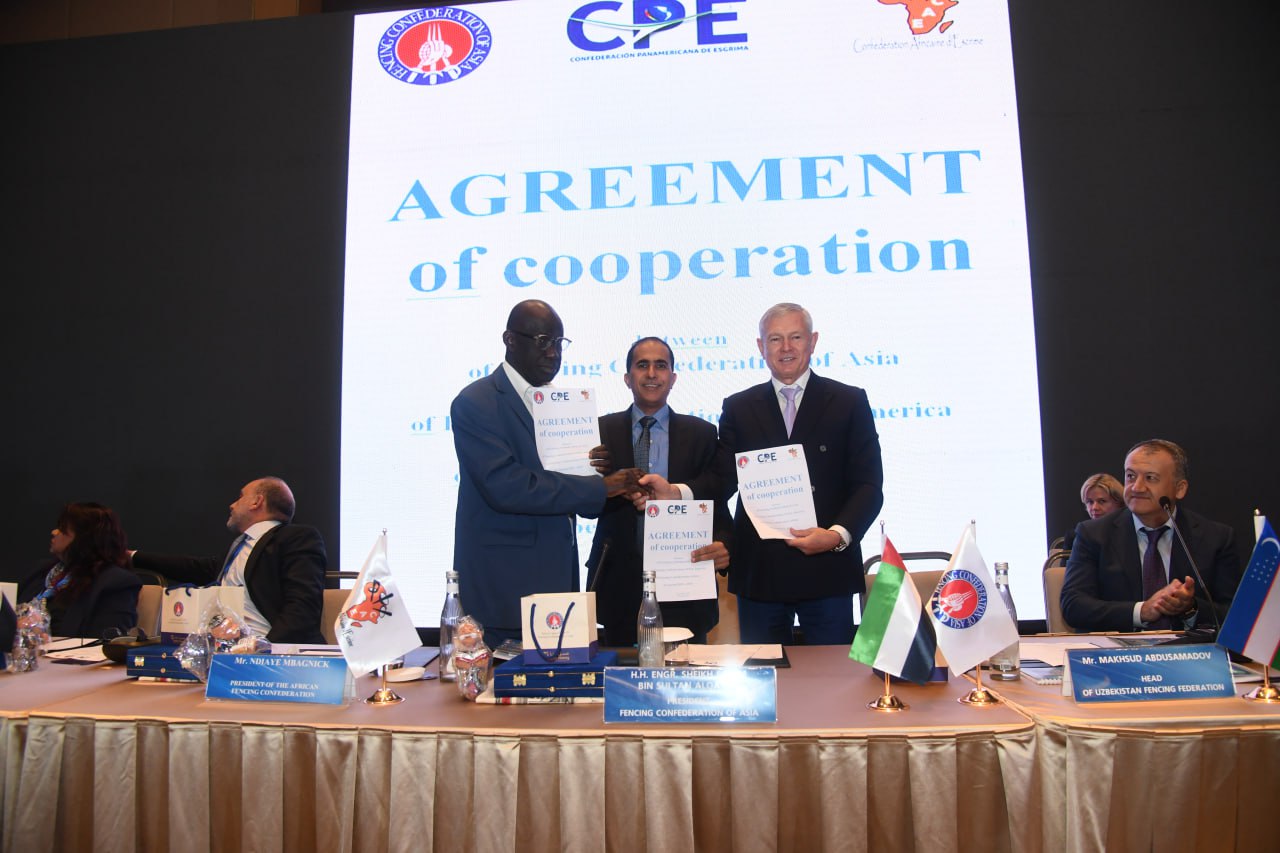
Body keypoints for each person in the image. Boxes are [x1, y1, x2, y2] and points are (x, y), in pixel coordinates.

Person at [645, 304, 884, 645]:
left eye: (795, 337)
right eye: (775, 339)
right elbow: (722, 477)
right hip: (761, 573)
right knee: (762, 673)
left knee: (831, 672)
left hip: (829, 568)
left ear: (813, 341)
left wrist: (837, 536)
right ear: (761, 346)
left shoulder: (849, 401)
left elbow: (868, 485)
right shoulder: (739, 407)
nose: (786, 348)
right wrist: (676, 492)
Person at [451, 300, 644, 643]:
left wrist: (592, 472)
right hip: (505, 590)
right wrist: (601, 488)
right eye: (543, 341)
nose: (553, 353)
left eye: (559, 342)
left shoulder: (560, 405)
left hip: (558, 588)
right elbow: (506, 487)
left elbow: (576, 502)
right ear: (510, 340)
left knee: (558, 678)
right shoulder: (476, 402)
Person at [585, 336, 731, 645]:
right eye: (642, 365)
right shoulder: (600, 431)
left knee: (688, 674)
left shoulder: (702, 434)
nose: (652, 373)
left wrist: (724, 543)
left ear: (673, 378)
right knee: (621, 674)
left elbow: (716, 500)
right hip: (618, 584)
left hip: (685, 582)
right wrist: (601, 485)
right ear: (627, 378)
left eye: (661, 366)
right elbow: (585, 506)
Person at [1061, 439, 1241, 632]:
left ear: (1179, 488)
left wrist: (1191, 608)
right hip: (1116, 648)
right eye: (1130, 476)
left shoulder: (1215, 538)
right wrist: (1141, 611)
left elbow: (1235, 614)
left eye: (1150, 478)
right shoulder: (1093, 534)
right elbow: (1074, 605)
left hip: (1188, 649)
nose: (1136, 487)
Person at [132, 477, 327, 644]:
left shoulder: (296, 538)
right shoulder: (239, 549)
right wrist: (132, 556)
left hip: (273, 652)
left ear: (257, 501)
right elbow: (197, 568)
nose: (232, 505)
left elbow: (302, 607)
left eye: (240, 497)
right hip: (226, 649)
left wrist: (262, 650)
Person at [17, 502, 140, 638]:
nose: (54, 532)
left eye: (62, 529)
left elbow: (108, 639)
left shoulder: (115, 583)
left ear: (83, 538)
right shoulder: (40, 571)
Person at [1060, 473, 1124, 550]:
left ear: (1119, 503)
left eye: (1102, 501)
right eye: (1090, 502)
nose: (1094, 508)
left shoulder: (1130, 532)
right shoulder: (1075, 537)